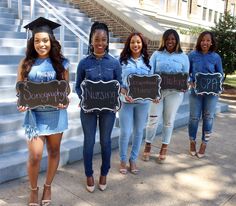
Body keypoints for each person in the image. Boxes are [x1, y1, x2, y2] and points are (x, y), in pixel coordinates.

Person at [16, 17, 70, 206]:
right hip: (35, 117)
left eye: (45, 40)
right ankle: (33, 189)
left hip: (56, 115)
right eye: (37, 40)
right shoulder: (26, 63)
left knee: (54, 152)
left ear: (52, 41)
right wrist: (21, 104)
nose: (41, 44)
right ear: (33, 42)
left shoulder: (61, 63)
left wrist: (65, 101)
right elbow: (20, 90)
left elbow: (66, 90)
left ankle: (48, 187)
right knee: (35, 156)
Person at [75, 22, 122, 192]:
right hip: (88, 109)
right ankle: (89, 174)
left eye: (104, 39)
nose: (100, 42)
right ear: (91, 41)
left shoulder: (115, 63)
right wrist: (83, 97)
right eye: (97, 39)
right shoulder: (84, 63)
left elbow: (119, 84)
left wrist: (118, 97)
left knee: (105, 141)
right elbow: (77, 86)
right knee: (89, 141)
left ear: (108, 41)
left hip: (108, 110)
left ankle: (104, 173)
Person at [142, 29, 189, 163]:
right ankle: (148, 145)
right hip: (158, 93)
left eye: (173, 39)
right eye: (168, 39)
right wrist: (151, 92)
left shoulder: (183, 57)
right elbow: (150, 73)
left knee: (169, 121)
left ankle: (164, 147)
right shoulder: (157, 54)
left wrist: (185, 85)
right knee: (153, 120)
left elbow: (186, 75)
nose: (170, 41)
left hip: (174, 94)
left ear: (177, 41)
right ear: (164, 40)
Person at [118, 32, 151, 174]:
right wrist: (123, 91)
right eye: (132, 42)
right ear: (128, 44)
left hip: (143, 103)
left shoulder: (148, 62)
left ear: (142, 44)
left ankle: (133, 160)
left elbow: (153, 82)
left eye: (138, 42)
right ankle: (123, 160)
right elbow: (117, 82)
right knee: (125, 132)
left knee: (138, 132)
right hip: (126, 102)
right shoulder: (122, 61)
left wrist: (154, 95)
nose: (135, 45)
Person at [188, 31, 223, 158]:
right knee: (194, 118)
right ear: (199, 41)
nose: (205, 43)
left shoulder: (216, 57)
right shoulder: (192, 55)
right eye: (203, 40)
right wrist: (190, 82)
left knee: (208, 118)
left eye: (208, 40)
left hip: (211, 94)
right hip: (195, 92)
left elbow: (220, 74)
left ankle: (204, 143)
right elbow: (186, 73)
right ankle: (192, 141)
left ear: (211, 42)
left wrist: (219, 85)